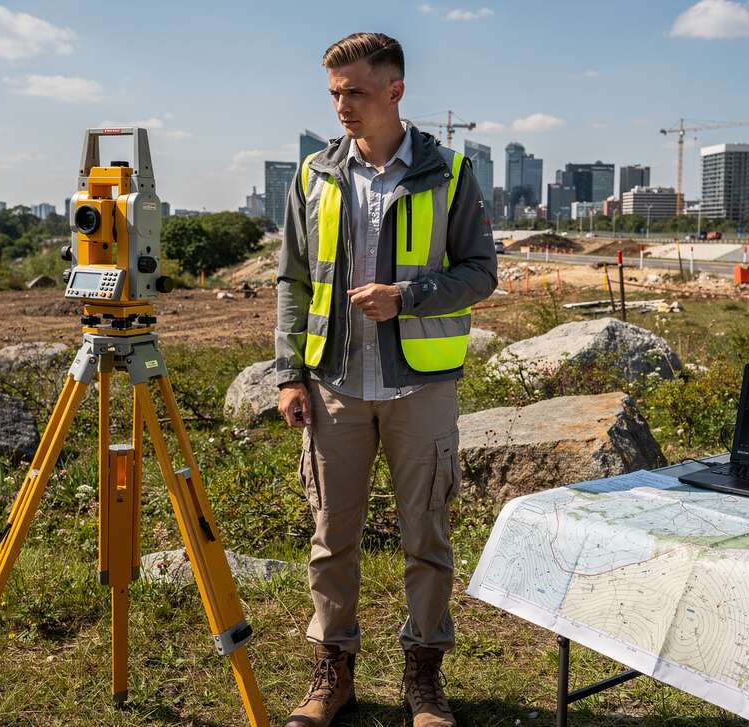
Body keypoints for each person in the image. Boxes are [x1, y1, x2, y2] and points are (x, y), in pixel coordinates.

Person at [273, 31, 497, 727]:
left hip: (420, 388)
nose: (342, 105)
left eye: (356, 92)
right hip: (334, 384)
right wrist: (289, 374)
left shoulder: (451, 172)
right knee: (329, 536)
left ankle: (424, 681)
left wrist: (408, 295)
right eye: (335, 92)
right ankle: (331, 674)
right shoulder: (312, 174)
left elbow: (480, 273)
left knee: (425, 536)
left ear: (395, 91)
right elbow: (291, 278)